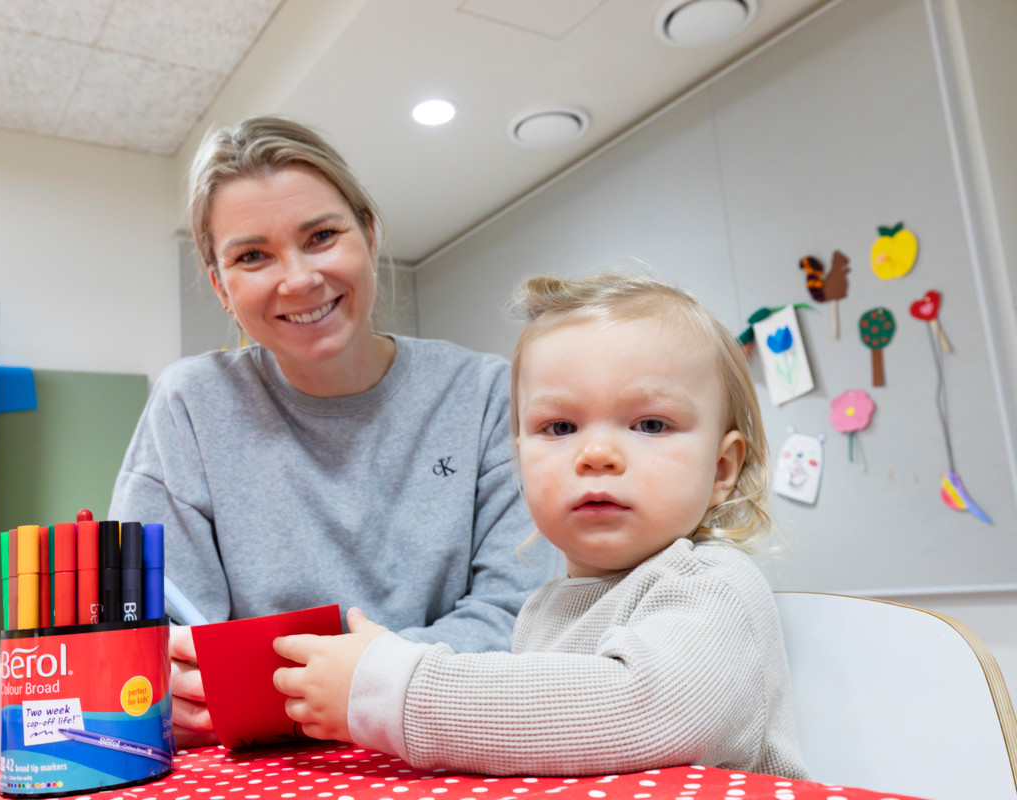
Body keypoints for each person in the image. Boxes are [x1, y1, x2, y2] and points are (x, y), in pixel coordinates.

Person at [107, 116, 554, 748]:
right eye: (253, 255)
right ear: (221, 286)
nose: (298, 279)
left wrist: (351, 684)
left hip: (447, 741)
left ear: (370, 237)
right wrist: (165, 684)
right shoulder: (191, 407)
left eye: (320, 236)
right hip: (264, 766)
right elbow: (152, 643)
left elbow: (523, 614)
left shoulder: (484, 395)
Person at [273, 272, 810, 779]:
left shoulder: (714, 586)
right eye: (559, 427)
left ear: (721, 470)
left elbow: (643, 711)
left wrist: (395, 690)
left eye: (650, 424)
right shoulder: (546, 607)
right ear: (521, 461)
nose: (596, 453)